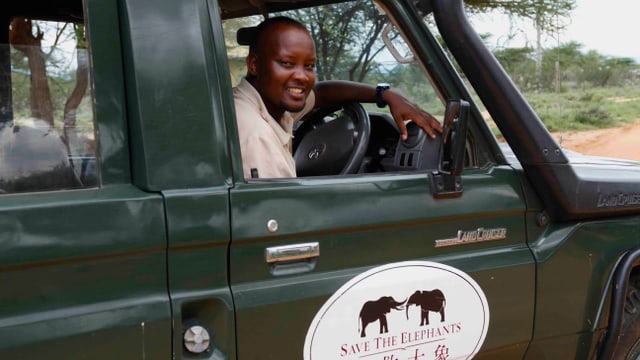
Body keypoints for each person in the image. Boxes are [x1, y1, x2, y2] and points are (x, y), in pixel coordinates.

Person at [233, 16, 442, 179]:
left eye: (309, 66)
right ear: (253, 64)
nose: (302, 77)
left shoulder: (260, 105)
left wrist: (385, 94)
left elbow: (322, 93)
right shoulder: (256, 135)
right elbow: (278, 221)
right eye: (287, 63)